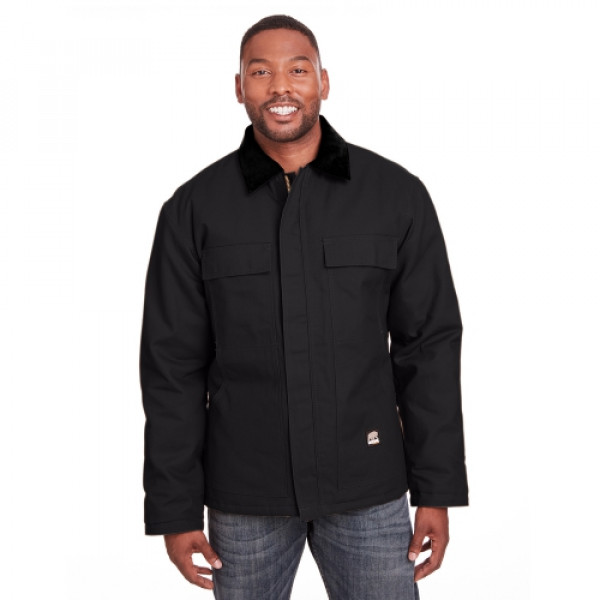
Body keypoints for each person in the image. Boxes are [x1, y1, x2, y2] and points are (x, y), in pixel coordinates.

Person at [139, 14, 469, 600]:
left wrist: (436, 490)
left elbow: (428, 348)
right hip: (245, 496)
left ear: (323, 81)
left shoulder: (395, 195)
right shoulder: (194, 209)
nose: (280, 87)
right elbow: (171, 367)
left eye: (297, 70)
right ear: (239, 87)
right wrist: (175, 508)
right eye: (260, 72)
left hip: (369, 488)